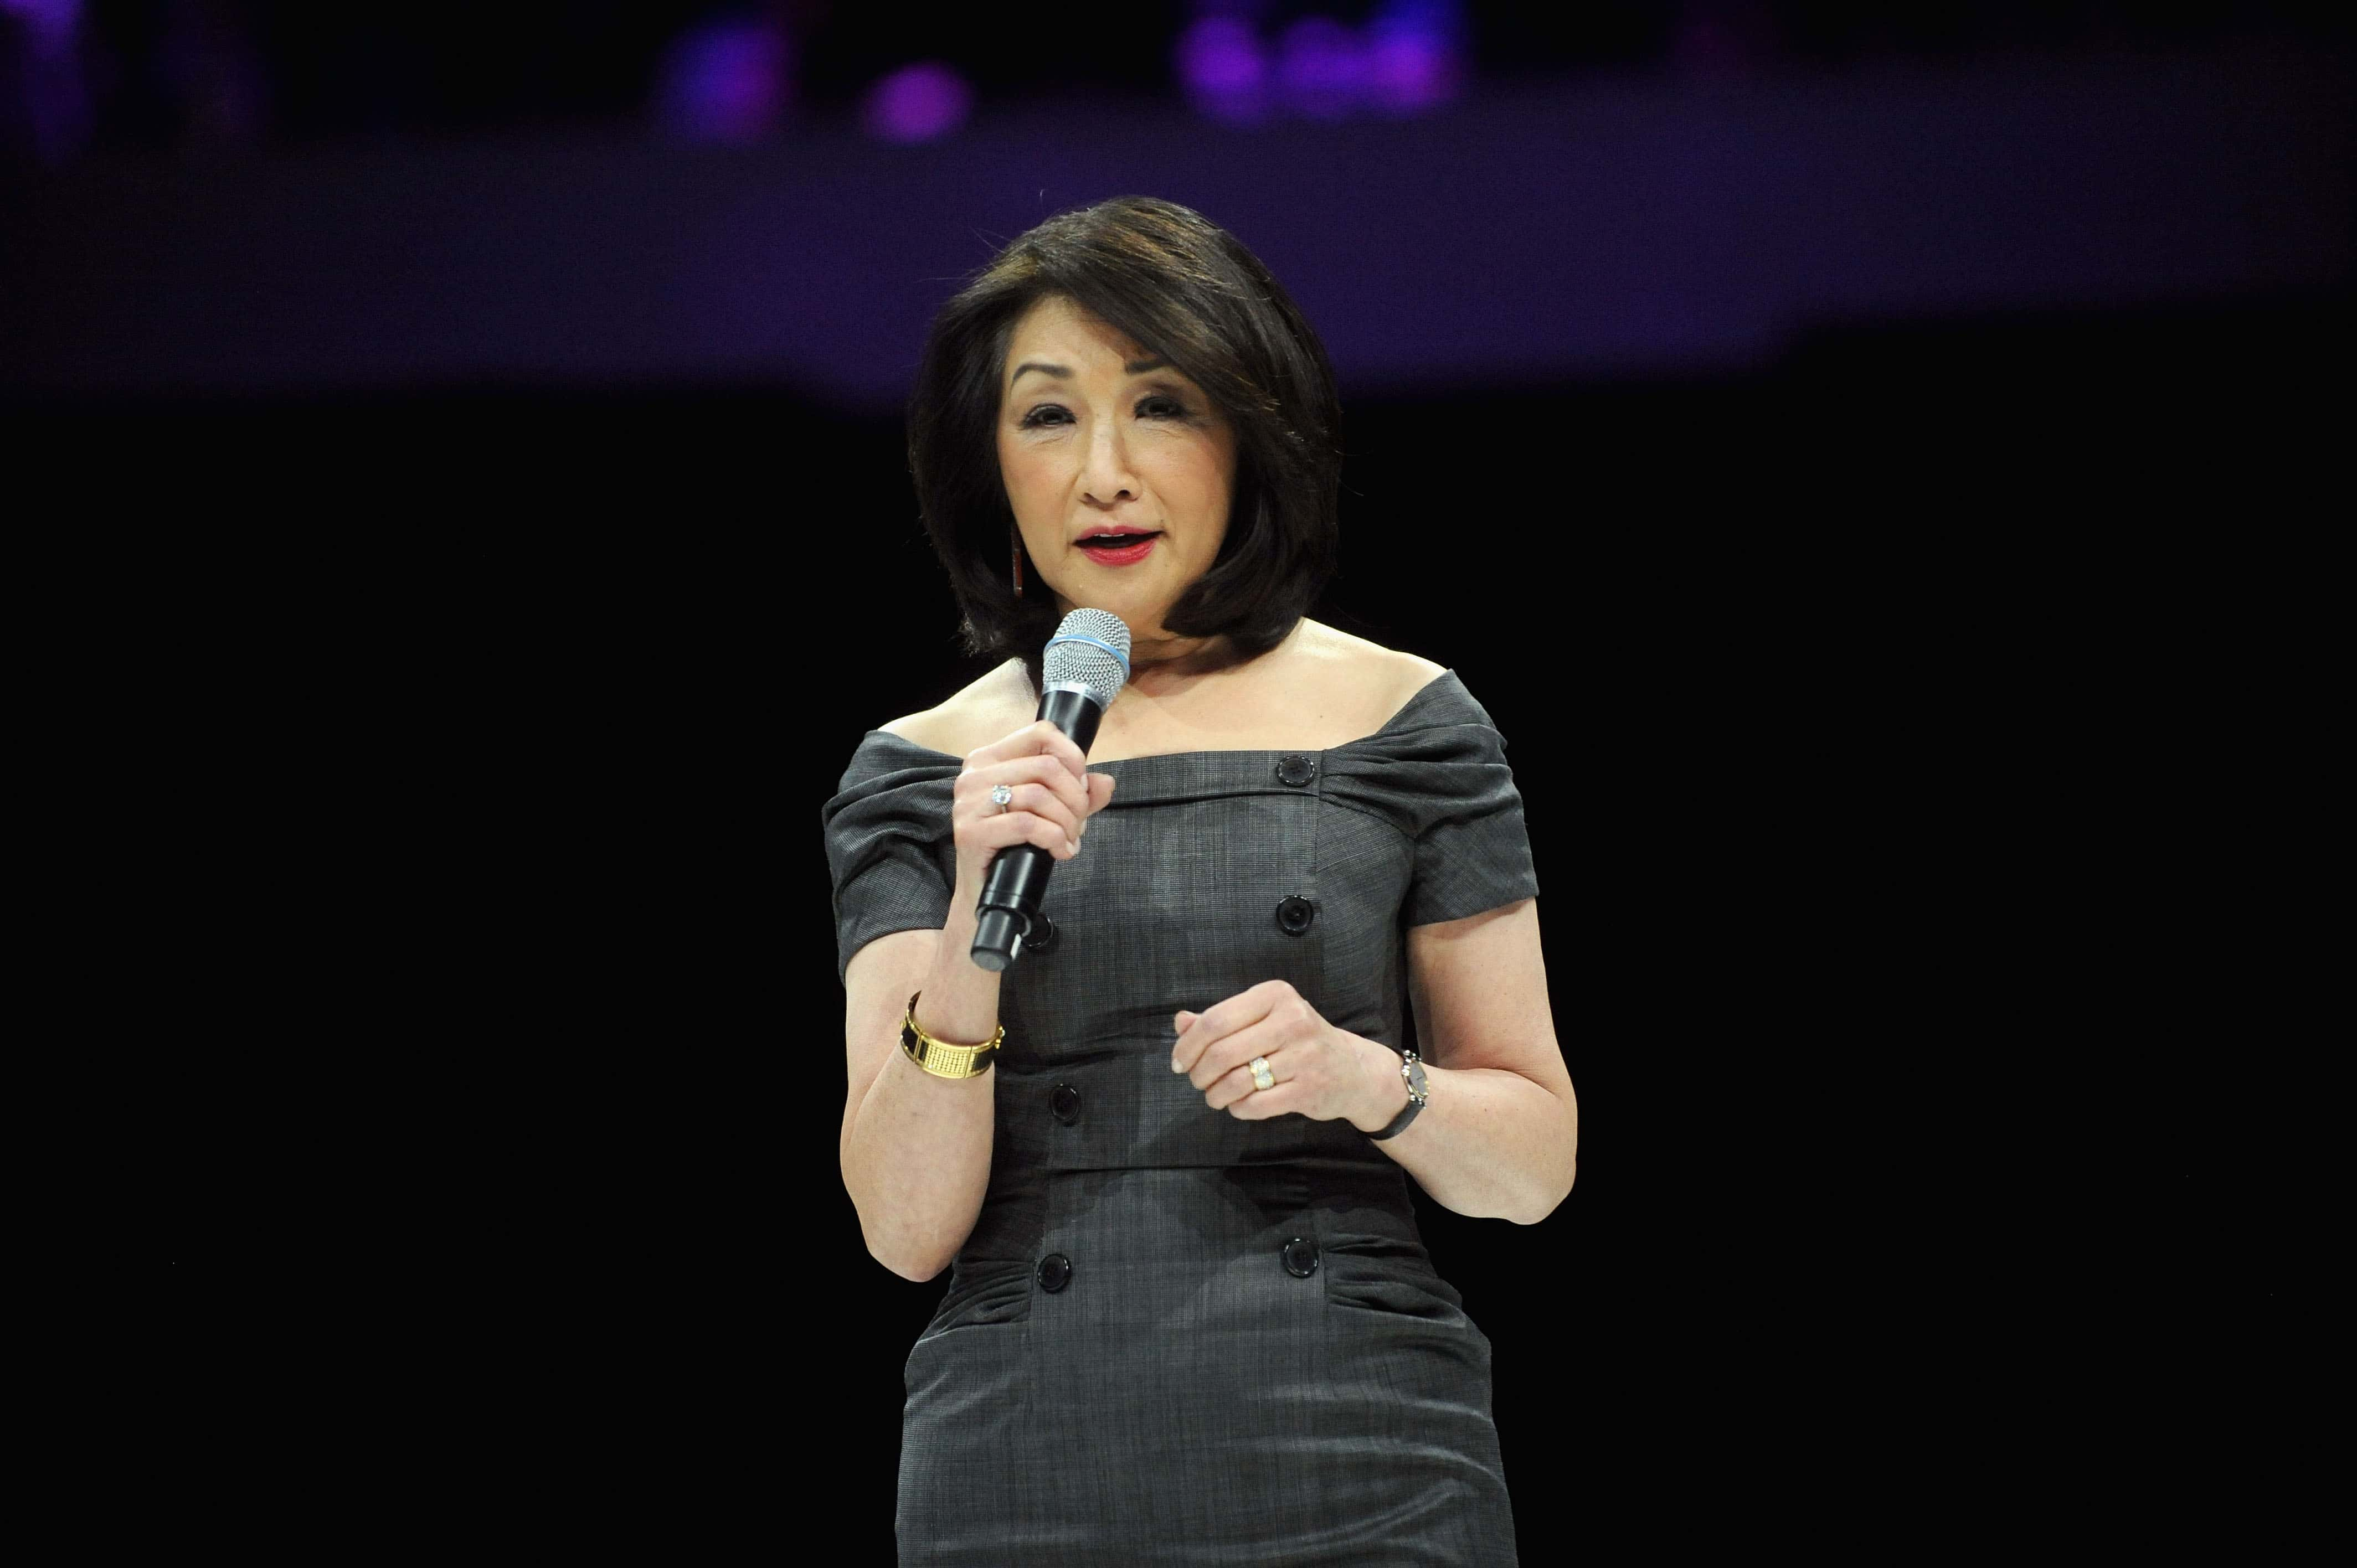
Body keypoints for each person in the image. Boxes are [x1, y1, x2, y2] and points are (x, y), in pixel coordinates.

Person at [824, 194, 1576, 1565]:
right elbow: (901, 1228)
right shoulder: (920, 767)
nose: (1103, 471)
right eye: (1047, 416)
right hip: (1022, 1462)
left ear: (1250, 434)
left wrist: (1364, 1079)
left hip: (1362, 1451)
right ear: (987, 462)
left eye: (1160, 405)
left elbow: (1533, 1166)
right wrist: (969, 930)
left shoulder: (1408, 719)